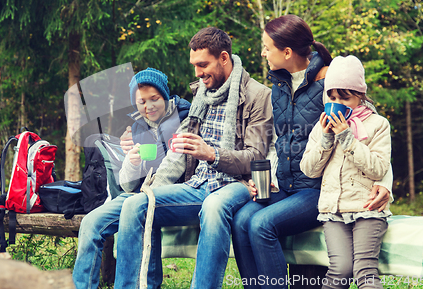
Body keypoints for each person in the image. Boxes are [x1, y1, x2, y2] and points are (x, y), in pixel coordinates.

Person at [231, 15, 392, 289]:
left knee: (260, 224)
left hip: (316, 188)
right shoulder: (279, 86)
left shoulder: (330, 83)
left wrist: (384, 184)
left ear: (287, 52)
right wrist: (267, 175)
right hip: (286, 184)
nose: (263, 52)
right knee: (242, 219)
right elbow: (279, 139)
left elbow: (369, 123)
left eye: (266, 47)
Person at [113, 27, 273, 289]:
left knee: (213, 206)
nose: (197, 73)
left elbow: (256, 156)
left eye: (203, 65)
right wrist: (151, 191)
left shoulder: (258, 96)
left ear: (224, 58)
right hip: (198, 185)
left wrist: (212, 154)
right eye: (194, 65)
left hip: (238, 185)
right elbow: (177, 154)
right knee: (136, 206)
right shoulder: (202, 94)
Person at [72, 68, 191, 289]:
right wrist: (131, 163)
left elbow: (175, 165)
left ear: (164, 95)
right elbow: (126, 184)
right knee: (91, 223)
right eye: (141, 102)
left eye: (154, 99)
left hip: (176, 193)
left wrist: (144, 195)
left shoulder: (184, 118)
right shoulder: (137, 127)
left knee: (137, 209)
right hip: (138, 194)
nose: (148, 107)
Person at [300, 55, 391, 288]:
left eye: (345, 97)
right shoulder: (320, 129)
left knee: (364, 270)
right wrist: (327, 138)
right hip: (333, 212)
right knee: (339, 270)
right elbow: (309, 169)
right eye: (331, 97)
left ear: (360, 96)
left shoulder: (378, 124)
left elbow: (379, 167)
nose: (337, 102)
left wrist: (347, 137)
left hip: (367, 209)